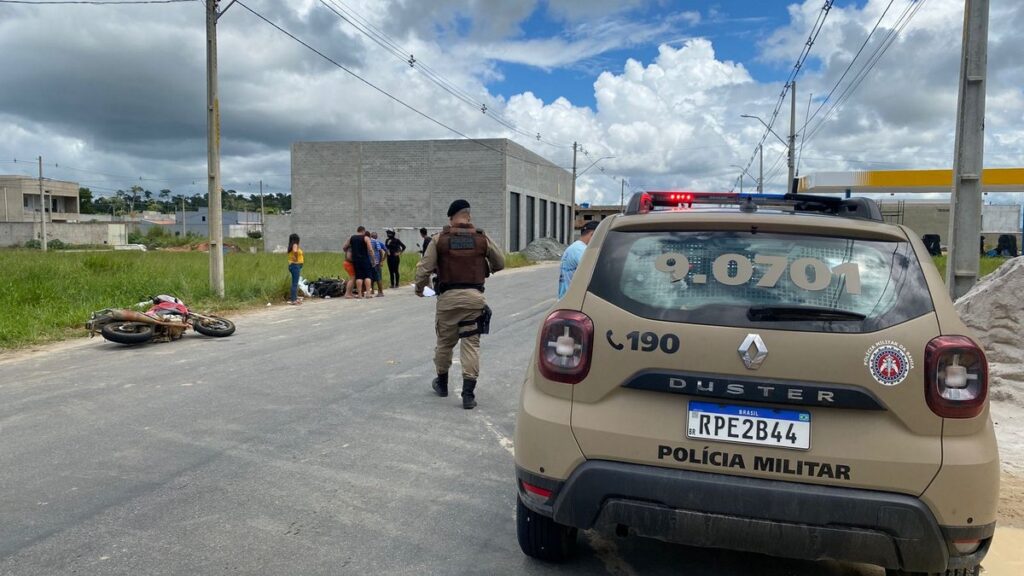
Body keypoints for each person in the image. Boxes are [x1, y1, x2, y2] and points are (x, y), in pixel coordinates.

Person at [415, 199, 504, 409]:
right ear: (468, 216)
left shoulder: (440, 239)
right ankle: (468, 395)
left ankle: (442, 384)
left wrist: (420, 289)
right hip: (474, 299)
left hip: (448, 300)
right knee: (471, 344)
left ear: (451, 217)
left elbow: (424, 269)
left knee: (445, 343)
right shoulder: (482, 238)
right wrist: (485, 269)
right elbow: (500, 263)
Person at [558, 220, 599, 299]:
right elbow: (594, 272)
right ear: (592, 235)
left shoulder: (574, 247)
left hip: (566, 298)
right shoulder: (581, 250)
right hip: (573, 300)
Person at [343, 226, 375, 298]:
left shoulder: (352, 237)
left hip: (356, 261)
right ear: (363, 231)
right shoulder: (366, 238)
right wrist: (373, 260)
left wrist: (349, 252)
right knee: (367, 276)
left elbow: (344, 247)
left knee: (359, 277)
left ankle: (360, 294)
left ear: (357, 230)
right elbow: (370, 250)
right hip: (365, 260)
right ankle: (368, 294)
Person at [286, 233, 303, 305]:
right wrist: (296, 258)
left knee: (294, 283)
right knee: (295, 283)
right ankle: (293, 300)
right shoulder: (295, 245)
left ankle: (295, 298)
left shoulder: (291, 245)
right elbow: (295, 251)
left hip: (293, 266)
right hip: (295, 265)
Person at [370, 232, 388, 297]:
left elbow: (385, 251)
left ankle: (380, 292)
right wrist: (382, 260)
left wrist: (382, 261)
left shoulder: (377, 243)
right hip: (375, 262)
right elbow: (386, 251)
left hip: (376, 262)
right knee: (373, 277)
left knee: (377, 277)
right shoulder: (377, 242)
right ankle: (372, 290)